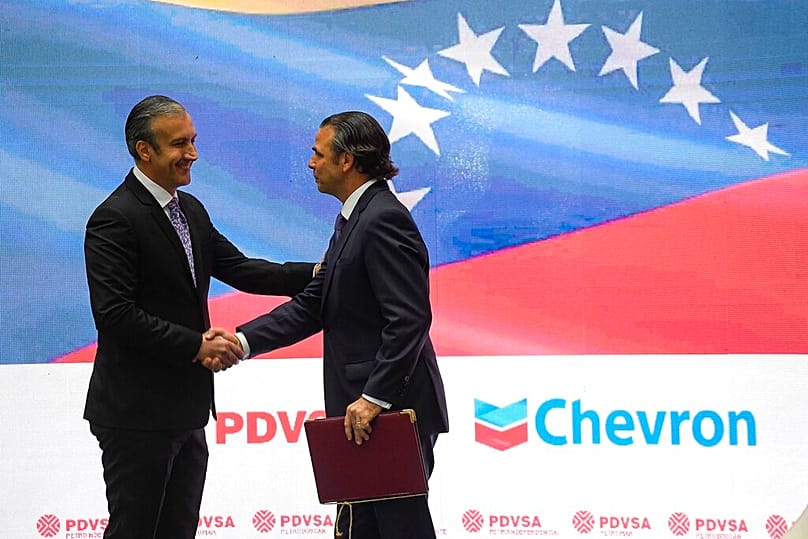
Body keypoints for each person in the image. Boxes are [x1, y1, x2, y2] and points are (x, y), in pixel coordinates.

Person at [83, 95, 316, 539]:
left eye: (193, 141)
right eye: (179, 144)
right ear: (143, 150)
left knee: (178, 531)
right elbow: (115, 315)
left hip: (187, 410)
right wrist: (196, 344)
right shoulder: (115, 218)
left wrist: (320, 273)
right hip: (136, 413)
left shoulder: (189, 209)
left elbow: (242, 269)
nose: (192, 154)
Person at [212, 111, 449, 538]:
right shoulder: (355, 218)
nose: (310, 163)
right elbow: (314, 304)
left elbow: (410, 319)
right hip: (366, 413)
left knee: (398, 528)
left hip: (390, 411)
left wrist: (375, 397)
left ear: (347, 161)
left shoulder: (382, 218)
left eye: (318, 153)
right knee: (363, 528)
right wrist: (241, 341)